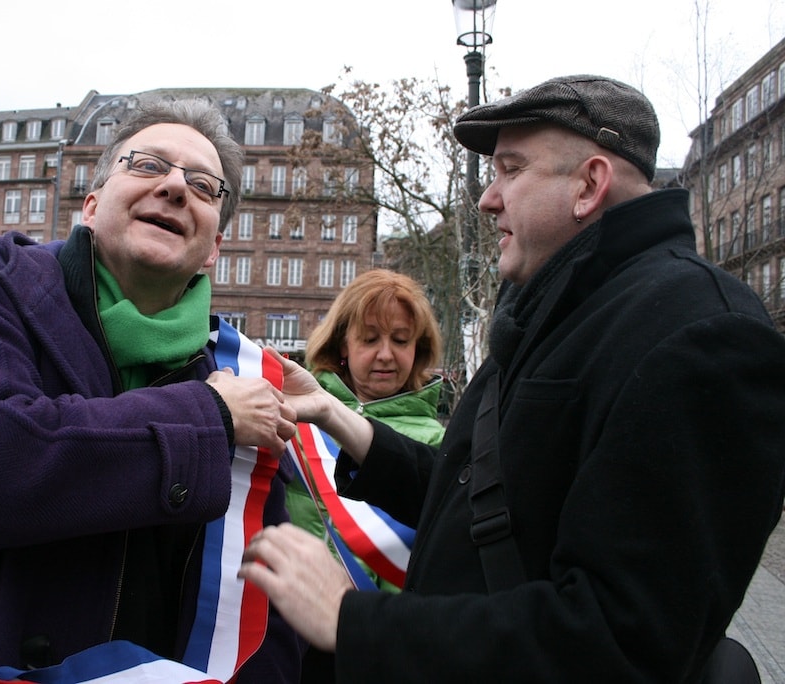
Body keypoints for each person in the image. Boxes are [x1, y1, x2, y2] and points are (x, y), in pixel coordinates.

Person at [239, 75, 785, 681]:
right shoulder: (557, 309)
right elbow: (479, 497)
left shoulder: (703, 334)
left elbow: (622, 639)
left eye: (511, 169)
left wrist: (353, 622)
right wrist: (334, 413)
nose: (487, 198)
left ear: (589, 185)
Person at [0, 99, 302, 683]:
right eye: (149, 165)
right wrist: (207, 415)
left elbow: (265, 600)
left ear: (213, 250)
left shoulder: (242, 378)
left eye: (205, 186)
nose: (177, 188)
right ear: (89, 206)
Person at [284, 269, 445, 680]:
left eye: (401, 339)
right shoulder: (297, 422)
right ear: (342, 345)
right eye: (370, 339)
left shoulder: (444, 444)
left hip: (380, 645)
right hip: (285, 631)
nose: (386, 355)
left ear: (419, 349)